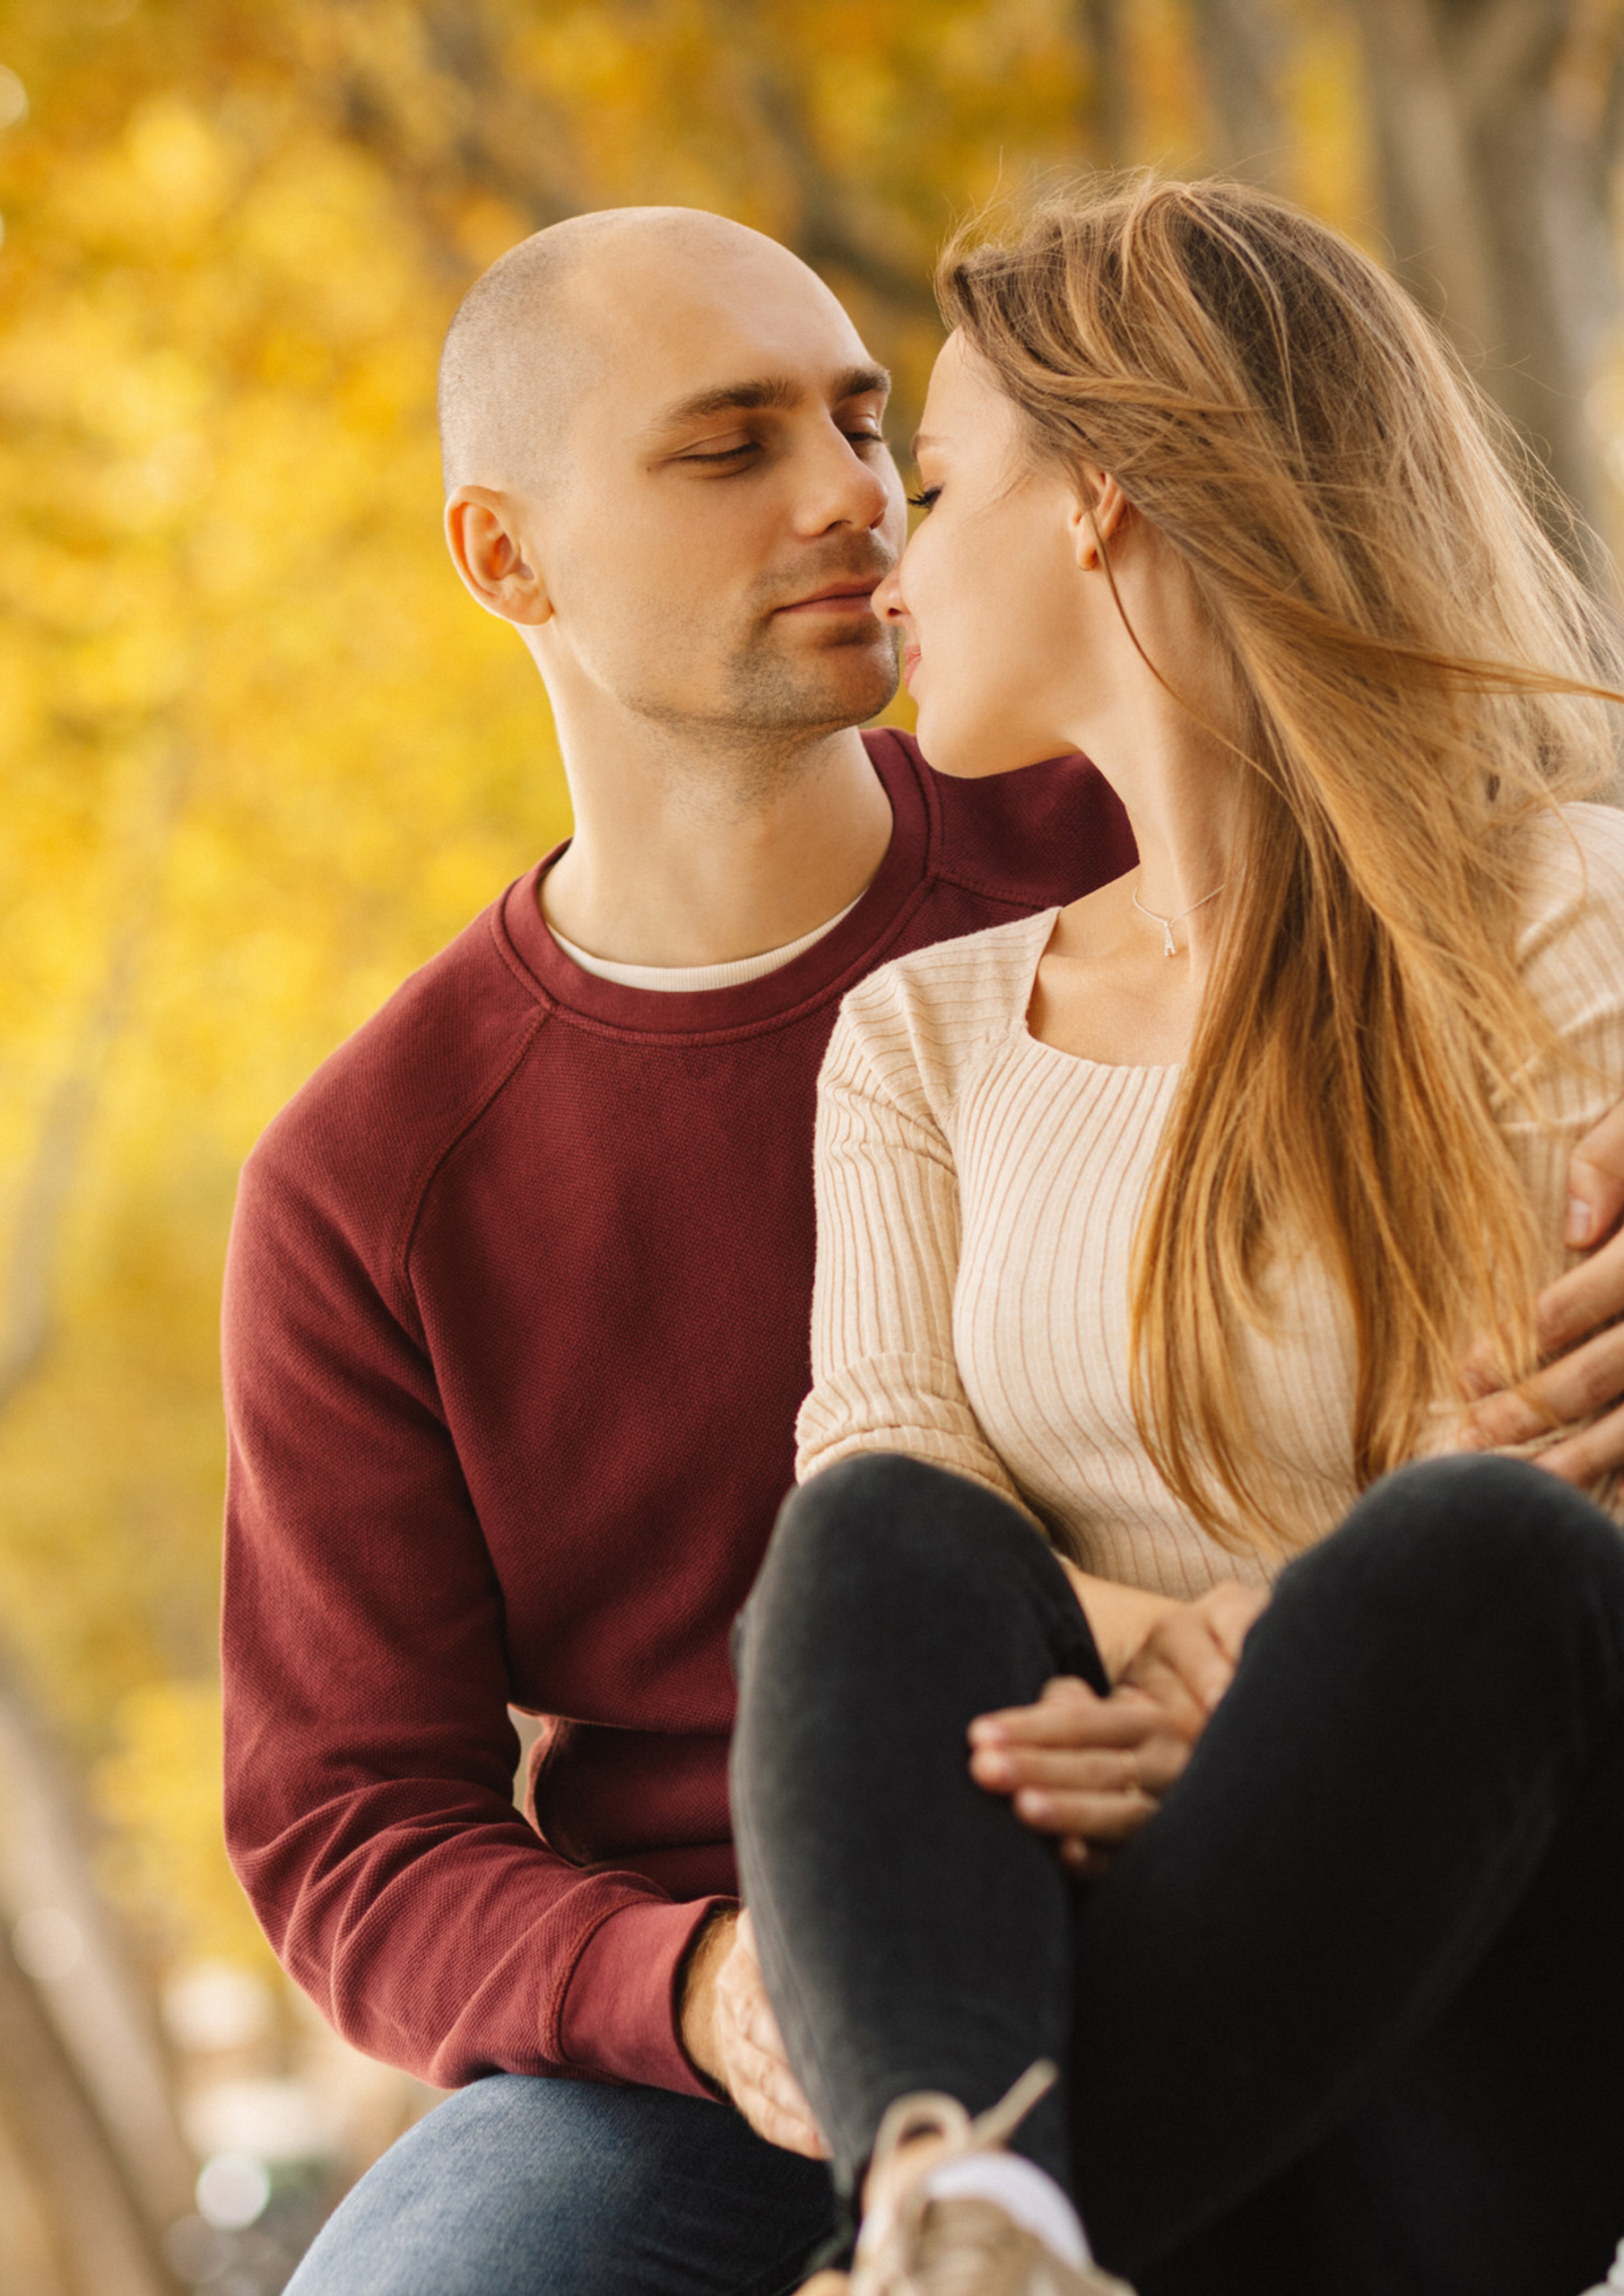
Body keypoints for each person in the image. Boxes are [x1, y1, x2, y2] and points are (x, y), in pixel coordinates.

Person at [221, 203, 1624, 2296]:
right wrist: (696, 1985)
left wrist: (1247, 1675)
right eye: (728, 447)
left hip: (1328, 1841)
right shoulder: (373, 1173)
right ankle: (954, 2215)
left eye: (877, 431)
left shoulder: (1138, 808)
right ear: (504, 556)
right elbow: (347, 1826)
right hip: (739, 2009)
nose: (850, 501)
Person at [729, 175, 1624, 2296]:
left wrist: (1262, 1665)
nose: (883, 547)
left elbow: (1536, 1471)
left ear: (1104, 495)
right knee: (855, 1544)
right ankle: (972, 2223)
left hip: (1469, 2014)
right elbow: (898, 1511)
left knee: (1480, 1554)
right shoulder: (915, 1037)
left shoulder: (1563, 918)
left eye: (936, 482)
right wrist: (1189, 1663)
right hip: (1066, 1927)